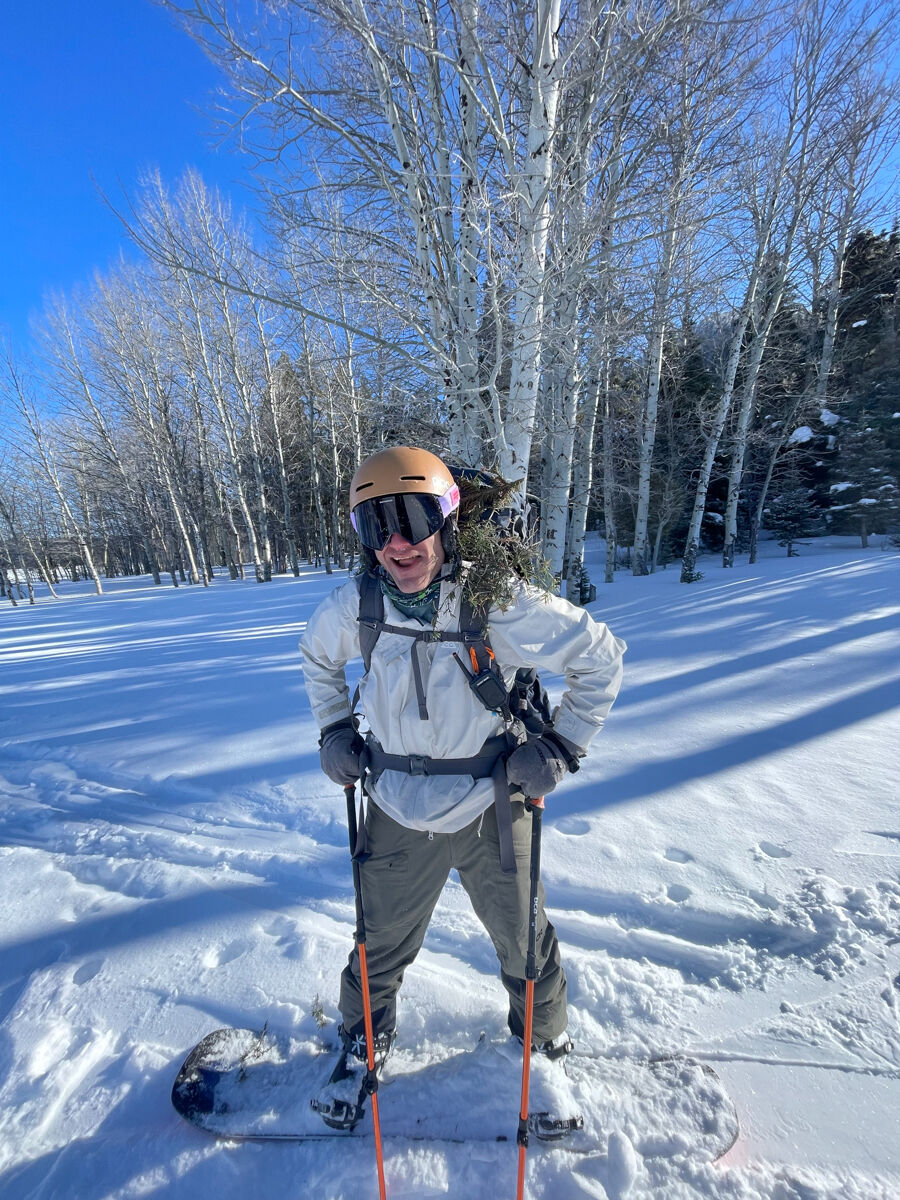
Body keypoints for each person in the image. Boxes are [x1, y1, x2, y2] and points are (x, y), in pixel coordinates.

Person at [299, 445, 626, 1130]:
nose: (397, 544)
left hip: (491, 807)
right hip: (393, 805)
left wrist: (561, 748)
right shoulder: (355, 605)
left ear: (446, 523)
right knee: (378, 940)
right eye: (375, 526)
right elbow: (317, 659)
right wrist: (333, 730)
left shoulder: (494, 604)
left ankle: (542, 1051)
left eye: (413, 519)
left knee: (522, 938)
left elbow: (599, 655)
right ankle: (364, 1039)